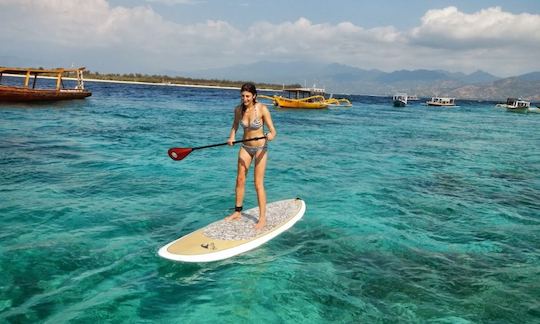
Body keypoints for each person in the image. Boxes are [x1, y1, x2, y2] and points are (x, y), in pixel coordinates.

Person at [225, 83, 276, 230]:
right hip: (245, 147)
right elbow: (235, 125)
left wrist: (270, 136)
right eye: (242, 96)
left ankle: (262, 218)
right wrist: (231, 137)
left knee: (257, 183)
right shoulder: (238, 110)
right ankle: (237, 212)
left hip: (260, 148)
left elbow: (273, 131)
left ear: (254, 96)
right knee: (240, 179)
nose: (245, 99)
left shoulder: (262, 109)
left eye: (247, 96)